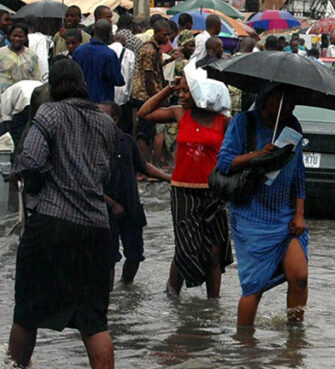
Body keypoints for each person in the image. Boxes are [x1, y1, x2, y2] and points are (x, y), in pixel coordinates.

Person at [8, 59, 120, 369]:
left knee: (27, 311)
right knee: (94, 319)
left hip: (52, 225)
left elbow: (30, 160)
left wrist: (19, 172)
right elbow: (105, 173)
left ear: (53, 87)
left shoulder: (50, 113)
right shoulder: (106, 123)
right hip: (96, 228)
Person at [216, 83, 309, 327]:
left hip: (284, 213)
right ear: (266, 99)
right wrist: (257, 154)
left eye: (292, 102)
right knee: (254, 286)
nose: (288, 106)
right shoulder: (243, 123)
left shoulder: (292, 126)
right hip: (250, 215)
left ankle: (295, 338)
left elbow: (298, 172)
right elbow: (225, 162)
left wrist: (299, 213)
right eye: (282, 101)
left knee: (299, 276)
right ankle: (245, 343)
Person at [138, 71, 233, 298]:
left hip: (214, 192)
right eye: (179, 90)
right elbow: (144, 113)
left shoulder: (225, 121)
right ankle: (172, 295)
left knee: (213, 249)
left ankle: (213, 303)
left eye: (185, 91)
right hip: (182, 190)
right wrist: (169, 87)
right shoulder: (180, 114)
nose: (181, 95)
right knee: (185, 246)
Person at [99, 101, 171, 289]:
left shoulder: (127, 141)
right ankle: (108, 296)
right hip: (105, 208)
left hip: (131, 205)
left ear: (115, 120)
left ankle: (126, 288)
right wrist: (112, 204)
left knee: (135, 254)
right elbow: (89, 182)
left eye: (103, 116)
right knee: (109, 256)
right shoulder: (92, 143)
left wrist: (169, 178)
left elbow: (144, 166)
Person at [133, 20, 170, 167]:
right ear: (156, 32)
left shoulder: (155, 49)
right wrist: (158, 97)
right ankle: (145, 165)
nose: (167, 38)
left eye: (168, 35)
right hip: (144, 96)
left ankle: (148, 163)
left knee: (149, 130)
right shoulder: (149, 50)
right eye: (164, 34)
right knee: (145, 132)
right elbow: (148, 78)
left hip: (149, 95)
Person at [72, 20, 125, 103]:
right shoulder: (109, 54)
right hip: (102, 103)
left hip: (81, 102)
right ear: (108, 33)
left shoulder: (79, 51)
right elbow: (117, 80)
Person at [0, 24, 41, 95]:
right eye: (14, 36)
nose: (17, 39)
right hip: (4, 96)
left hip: (24, 96)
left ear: (25, 38)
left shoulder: (31, 55)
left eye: (20, 36)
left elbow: (37, 78)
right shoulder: (1, 53)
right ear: (9, 36)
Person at [109, 27, 136, 134]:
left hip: (108, 97)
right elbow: (131, 77)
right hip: (123, 99)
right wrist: (128, 95)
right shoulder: (129, 54)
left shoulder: (105, 50)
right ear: (124, 42)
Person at [24, 17, 51, 82]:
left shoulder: (20, 37)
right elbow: (42, 60)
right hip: (35, 75)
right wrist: (45, 79)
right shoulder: (40, 38)